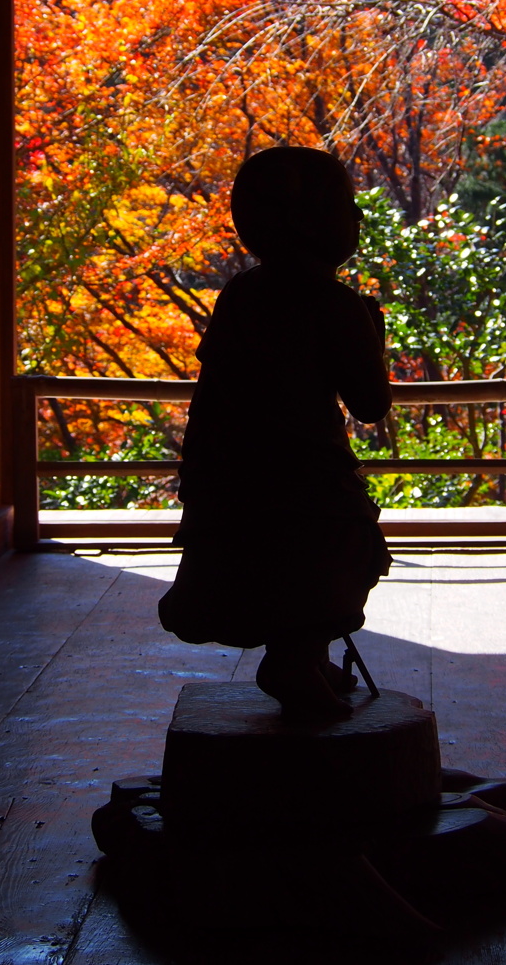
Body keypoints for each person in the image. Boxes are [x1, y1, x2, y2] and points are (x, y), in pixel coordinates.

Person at [158, 146, 393, 719]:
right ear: (311, 221)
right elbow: (370, 403)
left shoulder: (242, 293)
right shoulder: (333, 304)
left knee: (270, 558)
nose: (357, 218)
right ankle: (294, 661)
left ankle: (304, 659)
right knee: (339, 556)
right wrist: (371, 332)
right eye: (347, 205)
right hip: (305, 470)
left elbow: (214, 388)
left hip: (233, 468)